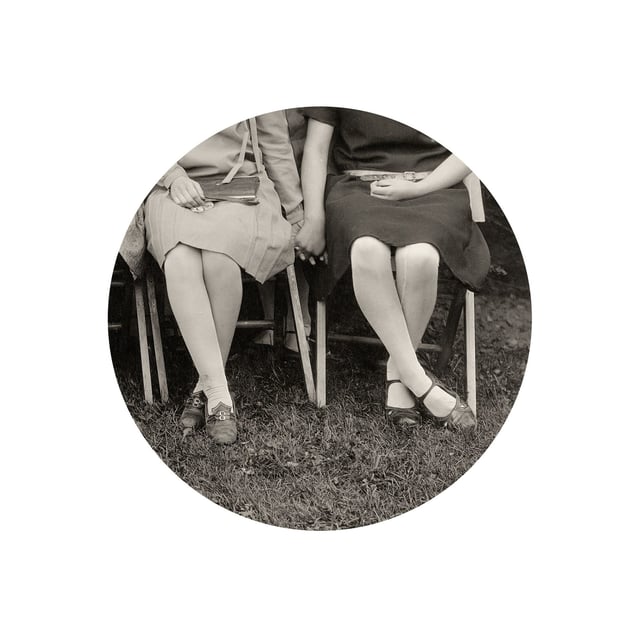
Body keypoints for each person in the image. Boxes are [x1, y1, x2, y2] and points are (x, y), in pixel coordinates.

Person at [296, 107, 490, 432]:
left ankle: (398, 379)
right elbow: (315, 149)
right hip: (358, 188)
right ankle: (418, 380)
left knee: (421, 257)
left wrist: (417, 188)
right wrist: (314, 217)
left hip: (434, 187)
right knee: (366, 249)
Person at [143, 112, 304, 444]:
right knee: (180, 259)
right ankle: (219, 397)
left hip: (240, 186)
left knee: (220, 258)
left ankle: (206, 390)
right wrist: (173, 177)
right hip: (168, 188)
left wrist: (297, 213)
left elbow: (274, 140)